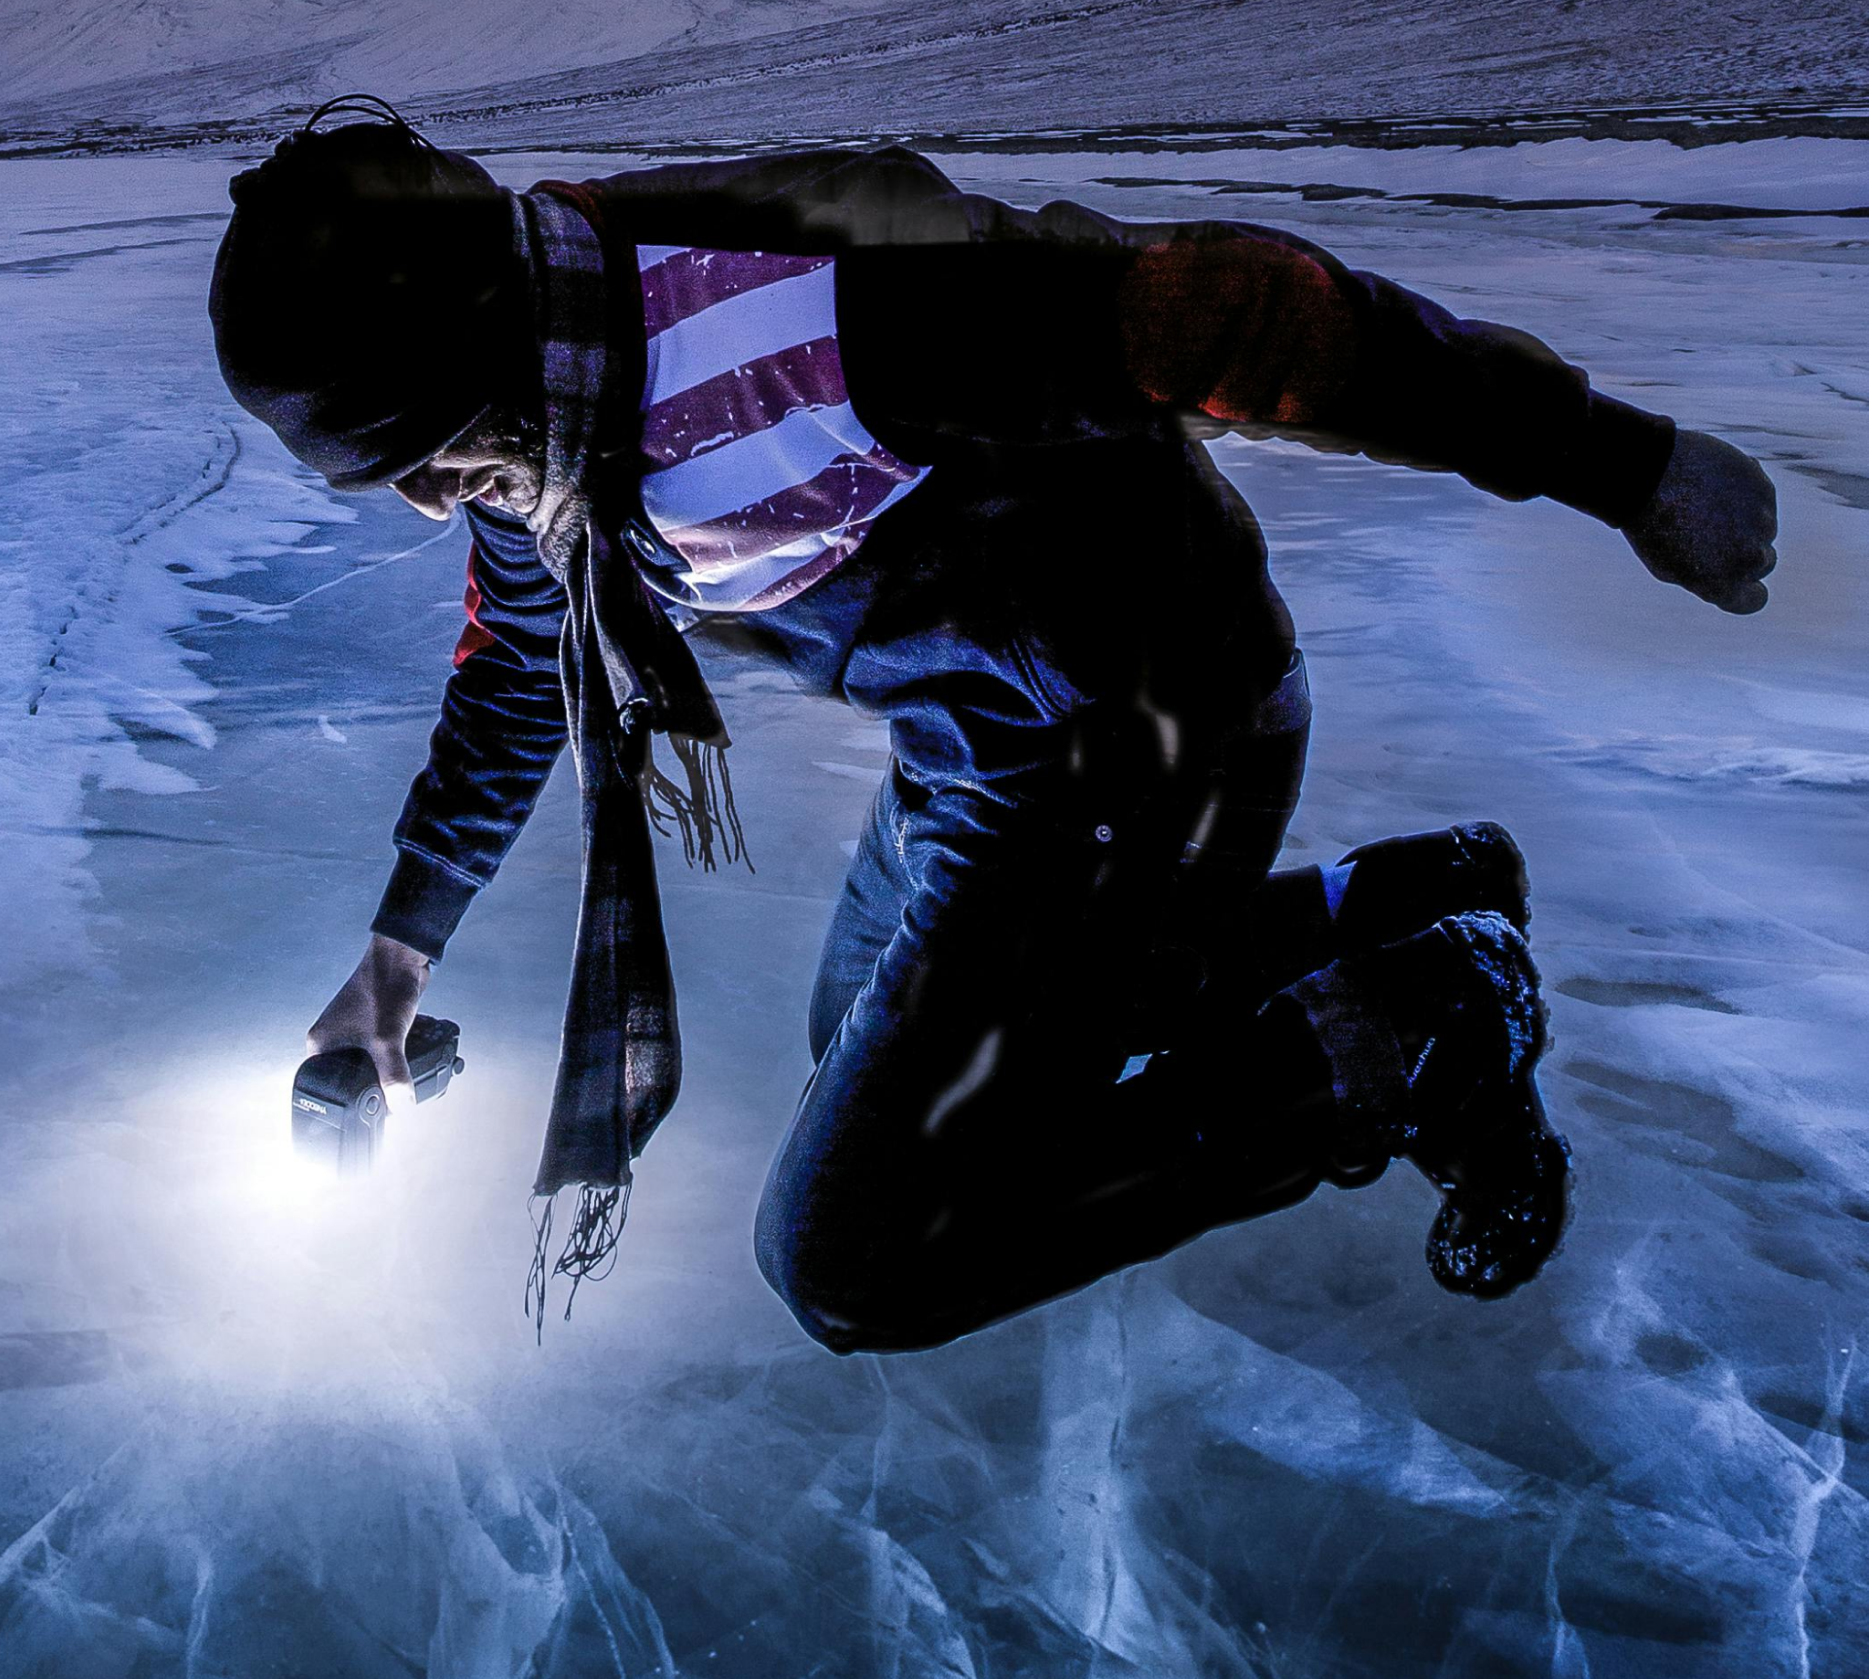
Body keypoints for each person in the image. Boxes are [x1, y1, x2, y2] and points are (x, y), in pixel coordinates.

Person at [207, 100, 1778, 1352]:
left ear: (479, 348)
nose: (426, 499)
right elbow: (509, 678)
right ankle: (1395, 902)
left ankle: (1418, 1026)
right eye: (388, 477)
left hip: (1151, 734)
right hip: (985, 749)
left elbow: (1237, 313)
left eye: (424, 454)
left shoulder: (811, 312)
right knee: (869, 1063)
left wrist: (1619, 463)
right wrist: (394, 961)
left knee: (858, 1252)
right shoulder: (542, 427)